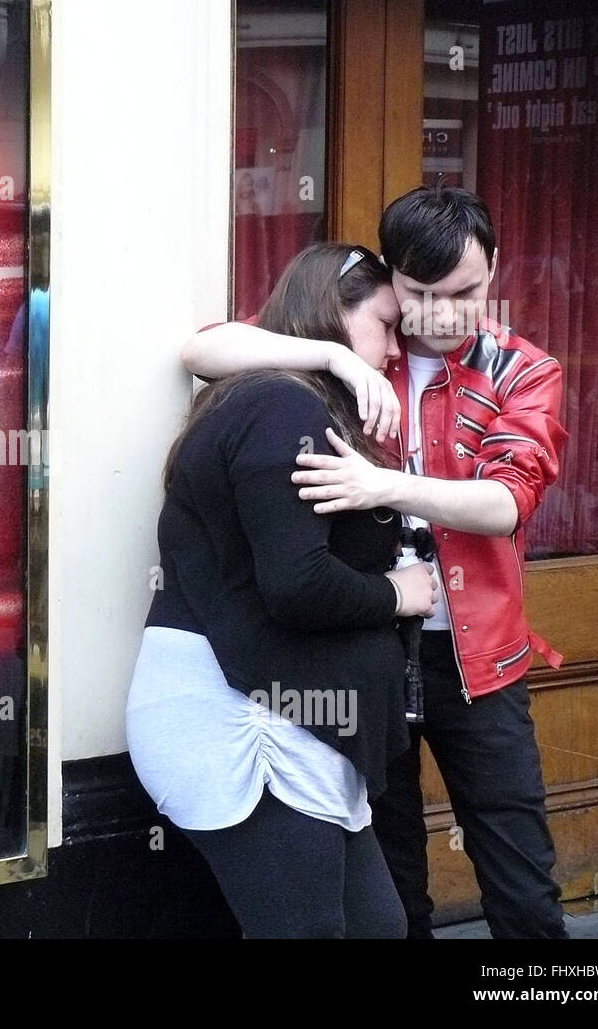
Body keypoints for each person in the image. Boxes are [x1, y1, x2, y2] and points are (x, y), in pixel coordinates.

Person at [181, 186, 570, 939]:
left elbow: (507, 502)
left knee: (521, 882)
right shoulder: (361, 349)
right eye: (422, 293)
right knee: (392, 879)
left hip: (478, 656)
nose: (445, 314)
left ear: (494, 272)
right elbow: (201, 348)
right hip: (366, 645)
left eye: (468, 292)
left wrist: (382, 484)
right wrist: (331, 355)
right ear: (391, 277)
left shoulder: (524, 369)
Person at [127, 243, 438, 938]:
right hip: (242, 721)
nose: (392, 349)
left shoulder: (286, 405)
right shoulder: (276, 406)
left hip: (294, 716)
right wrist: (398, 593)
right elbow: (295, 585)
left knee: (376, 928)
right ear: (332, 315)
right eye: (384, 326)